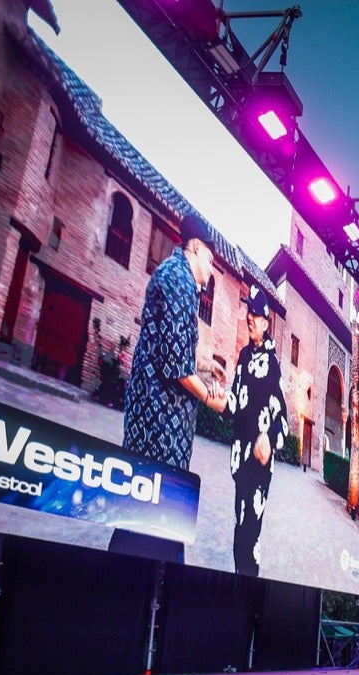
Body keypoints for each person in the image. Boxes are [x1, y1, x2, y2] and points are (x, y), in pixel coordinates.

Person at [111, 213, 226, 561]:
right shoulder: (179, 280)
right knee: (154, 510)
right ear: (194, 248)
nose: (211, 268)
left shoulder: (176, 276)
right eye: (210, 259)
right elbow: (175, 367)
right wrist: (211, 399)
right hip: (159, 423)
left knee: (142, 510)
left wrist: (208, 365)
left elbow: (174, 347)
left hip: (158, 419)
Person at [225, 285, 287, 577]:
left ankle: (247, 585)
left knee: (250, 535)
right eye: (248, 311)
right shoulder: (242, 357)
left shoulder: (273, 364)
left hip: (260, 466)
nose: (250, 318)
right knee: (240, 528)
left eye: (256, 313)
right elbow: (234, 404)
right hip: (241, 461)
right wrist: (214, 393)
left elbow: (283, 418)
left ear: (265, 322)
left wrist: (269, 437)